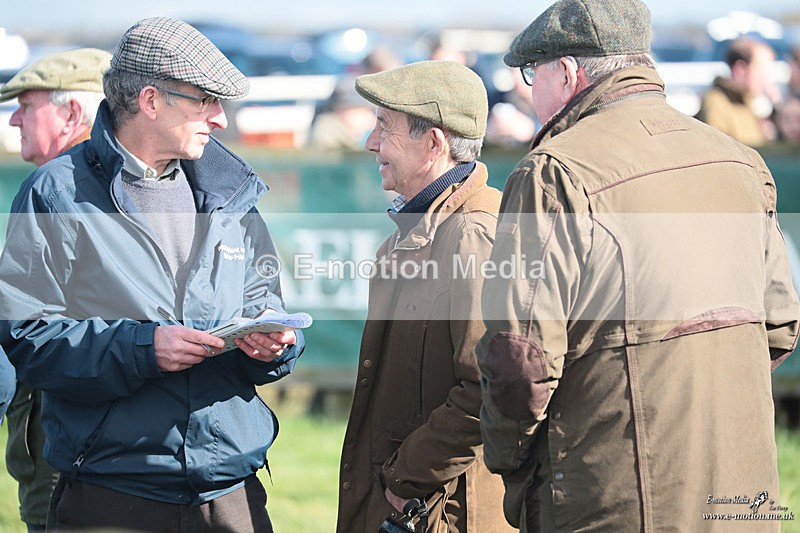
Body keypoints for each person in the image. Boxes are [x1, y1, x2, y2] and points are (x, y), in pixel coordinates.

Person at [476, 0, 800, 531]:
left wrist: (512, 463)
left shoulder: (554, 172)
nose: (532, 90)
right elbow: (780, 325)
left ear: (567, 71)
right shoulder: (740, 161)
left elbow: (521, 362)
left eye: (534, 72)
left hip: (610, 496)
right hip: (744, 497)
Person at [0, 17, 303, 532]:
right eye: (205, 100)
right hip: (112, 495)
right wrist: (144, 349)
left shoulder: (231, 193)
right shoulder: (55, 193)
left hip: (231, 494)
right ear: (150, 100)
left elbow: (265, 300)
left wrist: (276, 345)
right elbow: (29, 338)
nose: (221, 119)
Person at [336, 60, 512, 532]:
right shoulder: (414, 232)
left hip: (443, 512)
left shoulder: (475, 235)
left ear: (434, 143)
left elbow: (490, 388)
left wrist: (403, 479)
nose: (371, 143)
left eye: (384, 129)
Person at [0, 47, 111, 533]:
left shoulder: (60, 192)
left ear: (71, 113)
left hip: (65, 445)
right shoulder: (104, 182)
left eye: (28, 104)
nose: (14, 120)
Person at [696, 36, 779, 146]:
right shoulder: (716, 103)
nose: (766, 78)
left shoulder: (750, 100)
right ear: (741, 68)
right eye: (761, 69)